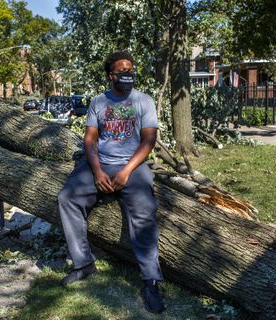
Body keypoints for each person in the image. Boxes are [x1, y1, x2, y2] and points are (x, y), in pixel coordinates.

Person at [58, 51, 165, 314]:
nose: (127, 74)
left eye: (130, 69)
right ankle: (84, 264)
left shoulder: (144, 100)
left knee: (144, 211)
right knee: (67, 197)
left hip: (134, 165)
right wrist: (96, 171)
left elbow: (148, 141)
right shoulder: (98, 102)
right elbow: (90, 140)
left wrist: (126, 171)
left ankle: (151, 280)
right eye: (121, 71)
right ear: (111, 75)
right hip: (101, 163)